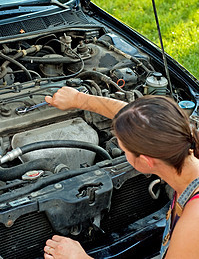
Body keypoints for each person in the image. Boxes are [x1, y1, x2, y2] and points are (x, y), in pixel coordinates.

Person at [43, 86, 199, 259]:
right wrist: (79, 99)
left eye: (124, 149)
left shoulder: (194, 222)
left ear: (146, 161)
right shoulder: (185, 143)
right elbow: (140, 121)